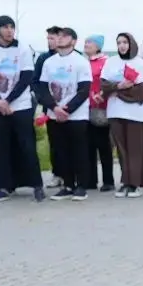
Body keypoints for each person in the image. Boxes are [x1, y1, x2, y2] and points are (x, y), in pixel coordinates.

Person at [0, 15, 43, 202]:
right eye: (5, 27)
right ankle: (3, 186)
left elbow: (26, 77)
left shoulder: (22, 49)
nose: (9, 31)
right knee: (0, 147)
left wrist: (9, 100)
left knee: (27, 145)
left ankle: (37, 184)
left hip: (20, 105)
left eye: (11, 27)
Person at [34, 26, 93, 201]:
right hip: (54, 113)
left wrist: (66, 110)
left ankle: (81, 186)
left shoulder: (81, 61)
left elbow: (84, 90)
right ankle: (68, 185)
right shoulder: (49, 62)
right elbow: (42, 88)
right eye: (58, 35)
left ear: (73, 41)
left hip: (76, 115)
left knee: (79, 150)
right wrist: (54, 108)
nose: (59, 38)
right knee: (61, 151)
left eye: (64, 36)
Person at [102, 33, 143, 196]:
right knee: (121, 149)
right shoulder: (111, 62)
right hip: (115, 112)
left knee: (135, 149)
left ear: (131, 44)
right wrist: (119, 86)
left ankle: (134, 184)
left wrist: (117, 91)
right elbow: (104, 85)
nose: (122, 45)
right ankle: (125, 182)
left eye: (125, 42)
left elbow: (140, 91)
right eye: (119, 43)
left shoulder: (140, 63)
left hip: (135, 113)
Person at [82, 35, 115, 193]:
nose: (86, 44)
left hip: (101, 106)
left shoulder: (106, 62)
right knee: (88, 144)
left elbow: (110, 82)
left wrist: (102, 94)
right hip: (85, 107)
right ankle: (91, 179)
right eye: (85, 42)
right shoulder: (84, 62)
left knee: (103, 145)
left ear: (98, 46)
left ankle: (108, 180)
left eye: (90, 42)